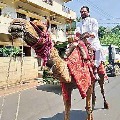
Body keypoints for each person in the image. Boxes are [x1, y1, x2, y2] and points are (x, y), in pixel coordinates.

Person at [75, 6, 104, 80]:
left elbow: (94, 33)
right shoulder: (79, 23)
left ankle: (95, 69)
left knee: (98, 49)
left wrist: (87, 35)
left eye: (84, 11)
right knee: (70, 48)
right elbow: (77, 33)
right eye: (81, 12)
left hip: (93, 42)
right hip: (82, 42)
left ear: (88, 12)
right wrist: (77, 36)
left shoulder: (93, 21)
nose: (82, 13)